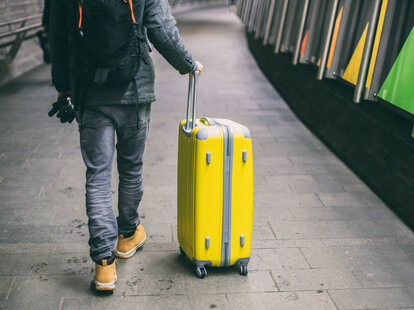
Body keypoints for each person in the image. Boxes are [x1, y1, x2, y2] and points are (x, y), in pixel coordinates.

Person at [49, 0, 203, 291]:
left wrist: (63, 87)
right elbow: (161, 27)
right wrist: (188, 65)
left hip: (89, 90)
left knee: (98, 175)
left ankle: (104, 265)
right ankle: (127, 234)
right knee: (131, 167)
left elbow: (58, 35)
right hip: (134, 89)